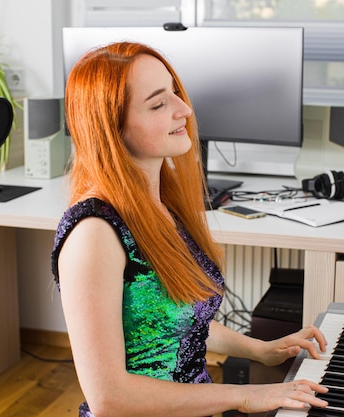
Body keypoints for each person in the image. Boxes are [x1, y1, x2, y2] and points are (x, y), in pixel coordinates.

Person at [51, 41, 329, 417]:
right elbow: (109, 398)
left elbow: (173, 322)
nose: (185, 109)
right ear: (111, 128)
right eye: (158, 103)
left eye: (175, 93)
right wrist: (244, 396)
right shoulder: (94, 234)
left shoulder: (161, 206)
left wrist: (259, 349)